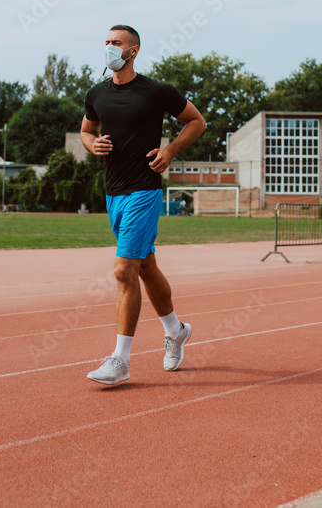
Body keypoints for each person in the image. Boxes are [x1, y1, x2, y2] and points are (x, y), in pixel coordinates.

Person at [81, 24, 206, 385]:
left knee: (124, 270)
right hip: (113, 191)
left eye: (115, 43)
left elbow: (196, 121)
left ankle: (120, 360)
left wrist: (170, 150)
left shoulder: (157, 92)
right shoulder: (96, 94)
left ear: (132, 51)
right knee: (146, 267)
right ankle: (176, 330)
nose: (109, 48)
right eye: (106, 42)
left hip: (144, 189)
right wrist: (92, 145)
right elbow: (86, 131)